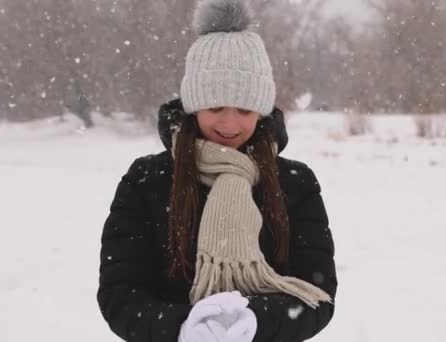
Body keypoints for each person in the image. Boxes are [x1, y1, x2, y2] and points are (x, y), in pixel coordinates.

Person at [96, 1, 337, 341]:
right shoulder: (146, 180)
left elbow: (318, 294)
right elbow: (120, 293)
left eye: (244, 109)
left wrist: (255, 322)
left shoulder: (296, 184)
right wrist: (182, 327)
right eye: (214, 107)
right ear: (193, 106)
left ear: (262, 110)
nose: (229, 123)